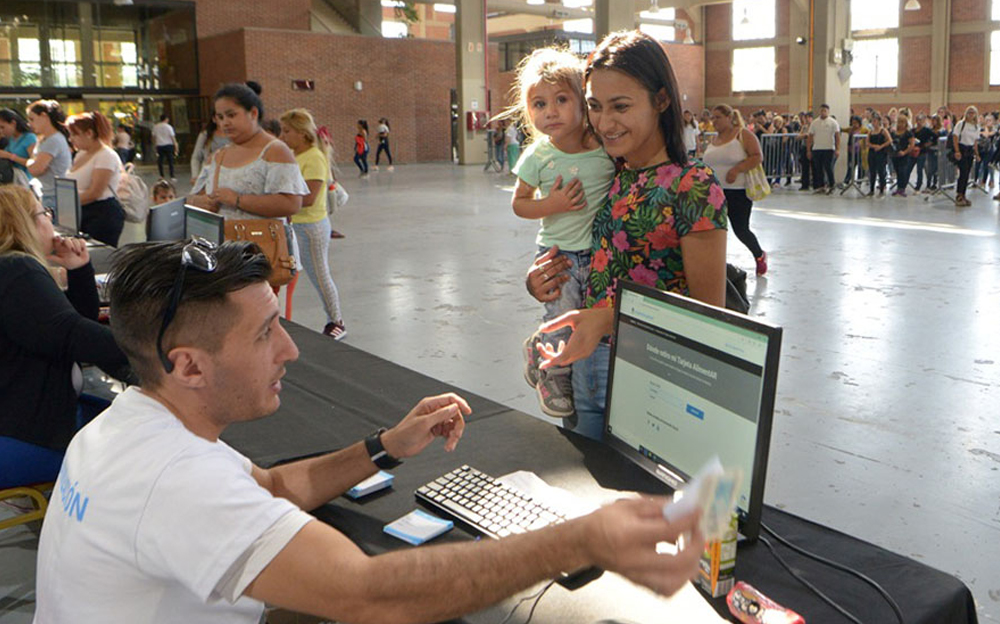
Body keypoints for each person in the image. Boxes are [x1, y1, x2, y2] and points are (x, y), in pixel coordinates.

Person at [33, 238, 705, 622]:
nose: (290, 351)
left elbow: (270, 487)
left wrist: (385, 446)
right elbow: (368, 595)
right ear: (189, 365)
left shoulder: (128, 423)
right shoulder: (176, 480)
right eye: (265, 334)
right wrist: (581, 538)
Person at [526, 31, 728, 440]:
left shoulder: (692, 186)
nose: (604, 123)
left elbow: (709, 317)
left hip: (648, 377)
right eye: (595, 107)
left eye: (621, 106)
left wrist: (608, 318)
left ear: (661, 100)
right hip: (581, 369)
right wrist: (541, 280)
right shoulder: (611, 172)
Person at [506, 46, 616, 419]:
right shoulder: (538, 156)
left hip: (597, 255)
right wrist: (551, 204)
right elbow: (520, 204)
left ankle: (538, 346)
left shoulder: (603, 149)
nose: (550, 112)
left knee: (581, 319)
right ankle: (552, 373)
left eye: (561, 100)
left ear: (583, 102)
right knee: (562, 316)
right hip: (559, 254)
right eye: (539, 104)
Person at [0, 185, 131, 489]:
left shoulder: (11, 268)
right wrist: (153, 348)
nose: (50, 220)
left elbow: (68, 327)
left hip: (19, 421)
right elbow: (72, 334)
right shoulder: (17, 269)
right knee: (139, 443)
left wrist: (79, 269)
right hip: (26, 435)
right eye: (44, 213)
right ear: (26, 223)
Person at [188, 83, 307, 228]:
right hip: (222, 239)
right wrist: (199, 202)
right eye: (220, 117)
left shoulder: (276, 151)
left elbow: (291, 204)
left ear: (253, 113)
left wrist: (237, 200)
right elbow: (195, 196)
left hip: (262, 239)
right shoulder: (218, 156)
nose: (225, 123)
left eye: (231, 115)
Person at [280, 108, 347, 340]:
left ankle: (336, 321)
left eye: (287, 131)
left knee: (320, 276)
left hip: (310, 227)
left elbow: (308, 198)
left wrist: (277, 202)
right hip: (294, 225)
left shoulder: (314, 157)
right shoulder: (293, 155)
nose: (283, 136)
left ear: (302, 133)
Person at [703, 104, 767, 276]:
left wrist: (737, 169)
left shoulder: (743, 134)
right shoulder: (713, 140)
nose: (714, 121)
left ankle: (759, 255)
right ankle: (715, 263)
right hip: (714, 193)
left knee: (741, 230)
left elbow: (757, 156)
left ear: (729, 117)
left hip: (737, 191)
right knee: (713, 229)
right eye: (712, 118)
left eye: (718, 117)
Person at [65, 111, 125, 246]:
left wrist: (66, 202)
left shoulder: (106, 155)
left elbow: (95, 192)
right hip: (80, 210)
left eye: (74, 134)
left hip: (102, 213)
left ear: (89, 133)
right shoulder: (81, 154)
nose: (70, 139)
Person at [25, 100, 73, 211]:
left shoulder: (53, 140)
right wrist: (32, 162)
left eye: (32, 119)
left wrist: (30, 162)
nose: (29, 124)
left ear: (44, 116)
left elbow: (36, 169)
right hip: (50, 193)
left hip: (54, 196)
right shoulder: (45, 139)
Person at [807, 103, 840, 194]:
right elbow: (810, 136)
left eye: (825, 111)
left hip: (829, 148)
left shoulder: (833, 122)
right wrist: (809, 150)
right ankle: (821, 186)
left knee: (828, 167)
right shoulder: (814, 122)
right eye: (821, 110)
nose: (823, 112)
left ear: (828, 112)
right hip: (817, 148)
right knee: (818, 168)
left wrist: (837, 149)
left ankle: (832, 185)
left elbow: (837, 136)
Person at [951, 106, 980, 207]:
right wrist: (957, 151)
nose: (971, 114)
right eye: (969, 112)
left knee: (967, 173)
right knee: (963, 172)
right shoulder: (961, 124)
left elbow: (975, 142)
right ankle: (959, 195)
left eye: (973, 113)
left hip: (970, 151)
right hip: (962, 149)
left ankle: (963, 194)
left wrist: (977, 154)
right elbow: (955, 137)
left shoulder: (976, 127)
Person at [0, 108, 38, 183]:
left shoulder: (29, 138)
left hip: (24, 179)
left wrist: (10, 156)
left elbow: (34, 163)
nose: (1, 130)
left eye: (2, 127)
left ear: (13, 123)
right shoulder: (10, 139)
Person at [190, 118, 230, 185]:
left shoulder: (236, 135)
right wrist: (195, 175)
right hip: (209, 173)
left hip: (230, 173)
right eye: (220, 117)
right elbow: (196, 157)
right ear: (214, 119)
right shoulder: (206, 135)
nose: (224, 120)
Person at [889, 115, 916, 197]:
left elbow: (912, 145)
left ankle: (902, 188)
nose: (900, 124)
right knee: (897, 171)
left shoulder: (908, 133)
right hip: (895, 155)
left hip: (904, 155)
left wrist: (904, 152)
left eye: (902, 122)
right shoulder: (894, 133)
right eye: (899, 122)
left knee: (902, 171)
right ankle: (898, 188)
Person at [866, 113, 891, 197]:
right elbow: (867, 143)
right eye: (872, 121)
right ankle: (871, 189)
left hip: (881, 153)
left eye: (875, 121)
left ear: (879, 121)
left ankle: (881, 190)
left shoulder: (883, 131)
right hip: (872, 153)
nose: (873, 123)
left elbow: (889, 140)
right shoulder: (870, 132)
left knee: (881, 171)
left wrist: (881, 146)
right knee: (872, 171)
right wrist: (874, 146)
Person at [915, 114, 939, 192]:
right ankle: (922, 184)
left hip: (926, 152)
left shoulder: (927, 130)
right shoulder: (914, 130)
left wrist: (929, 143)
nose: (919, 122)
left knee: (930, 169)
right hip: (918, 151)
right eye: (917, 120)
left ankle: (931, 184)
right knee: (922, 170)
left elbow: (935, 137)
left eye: (920, 120)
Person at [153, 114, 178, 180]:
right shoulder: (169, 127)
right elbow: (172, 137)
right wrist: (176, 146)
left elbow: (154, 137)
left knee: (160, 160)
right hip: (168, 145)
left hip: (159, 145)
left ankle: (161, 175)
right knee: (170, 160)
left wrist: (155, 145)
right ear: (166, 119)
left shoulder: (156, 127)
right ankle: (172, 175)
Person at [796, 111, 813, 190]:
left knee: (814, 166)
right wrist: (804, 135)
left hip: (813, 147)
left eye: (809, 117)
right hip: (804, 147)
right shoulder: (804, 127)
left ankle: (814, 183)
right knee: (804, 166)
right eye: (806, 118)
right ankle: (805, 184)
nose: (807, 119)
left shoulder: (814, 126)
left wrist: (807, 136)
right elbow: (798, 137)